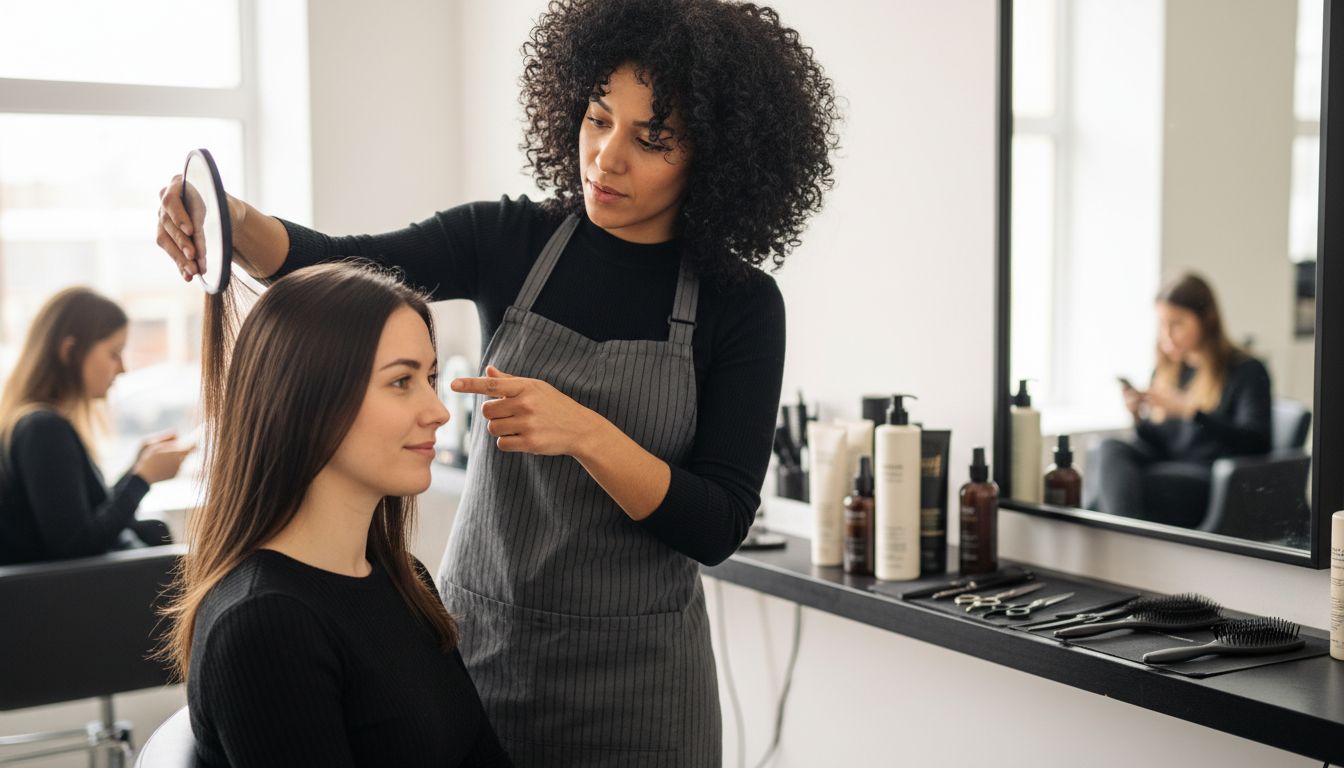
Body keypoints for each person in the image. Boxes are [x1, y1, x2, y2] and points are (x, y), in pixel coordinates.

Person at [155, 1, 840, 763]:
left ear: (715, 160)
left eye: (652, 141)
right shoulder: (510, 241)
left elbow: (716, 526)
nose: (606, 157)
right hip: (481, 652)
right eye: (598, 118)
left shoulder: (739, 305)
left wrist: (585, 434)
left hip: (640, 687)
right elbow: (336, 266)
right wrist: (228, 219)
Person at [160, 263, 511, 767]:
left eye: (429, 378)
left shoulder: (404, 578)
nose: (438, 411)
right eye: (401, 381)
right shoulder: (265, 625)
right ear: (307, 400)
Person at [0, 287, 189, 565]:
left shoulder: (35, 424)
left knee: (155, 530)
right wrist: (142, 479)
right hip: (72, 587)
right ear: (70, 352)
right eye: (114, 354)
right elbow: (77, 545)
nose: (122, 369)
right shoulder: (44, 430)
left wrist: (136, 469)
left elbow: (82, 514)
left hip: (73, 583)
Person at [1093, 273, 1272, 526]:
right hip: (1170, 465)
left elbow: (1257, 444)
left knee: (1120, 487)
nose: (1166, 335)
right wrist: (1137, 417)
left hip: (1213, 479)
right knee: (1108, 449)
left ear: (1206, 320)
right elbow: (1161, 443)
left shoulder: (1246, 370)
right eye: (1162, 324)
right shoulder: (1170, 370)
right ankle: (1122, 540)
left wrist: (1192, 412)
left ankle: (1117, 542)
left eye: (1176, 324)